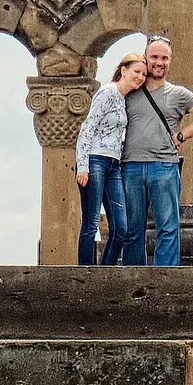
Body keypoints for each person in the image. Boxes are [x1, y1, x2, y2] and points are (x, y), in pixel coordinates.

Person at [121, 35, 193, 266]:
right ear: (145, 59)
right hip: (131, 165)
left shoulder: (178, 93)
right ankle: (134, 275)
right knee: (132, 228)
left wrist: (183, 135)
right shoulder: (130, 90)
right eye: (154, 57)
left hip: (164, 165)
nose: (159, 62)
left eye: (164, 58)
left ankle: (164, 277)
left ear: (170, 61)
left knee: (168, 226)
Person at [74, 53, 147, 266]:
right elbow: (87, 128)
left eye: (143, 74)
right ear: (123, 70)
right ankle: (85, 271)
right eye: (136, 71)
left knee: (121, 227)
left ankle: (105, 269)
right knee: (91, 222)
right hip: (95, 160)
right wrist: (83, 165)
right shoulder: (107, 92)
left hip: (114, 165)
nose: (140, 77)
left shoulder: (125, 100)